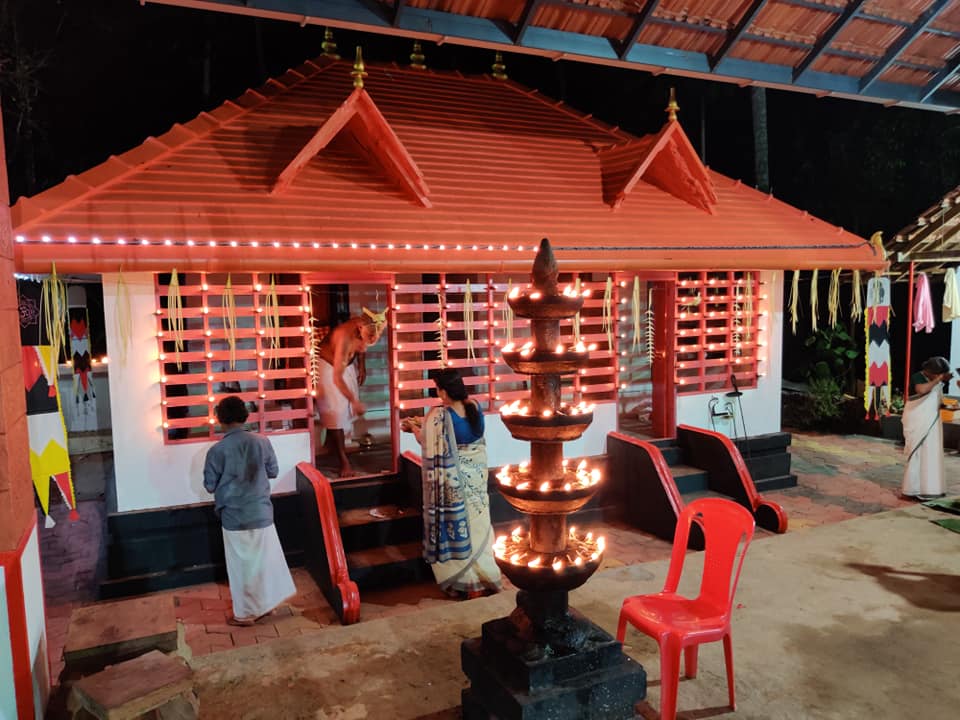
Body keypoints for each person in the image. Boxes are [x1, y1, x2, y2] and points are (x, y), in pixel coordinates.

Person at [402, 369, 501, 599]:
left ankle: (467, 583)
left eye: (438, 388)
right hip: (476, 477)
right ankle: (487, 576)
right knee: (478, 525)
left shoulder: (440, 416)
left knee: (455, 524)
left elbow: (427, 441)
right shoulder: (474, 407)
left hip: (454, 483)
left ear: (444, 391)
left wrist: (414, 428)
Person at [203, 396, 296, 626]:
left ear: (220, 419)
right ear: (244, 416)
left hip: (234, 516)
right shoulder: (262, 442)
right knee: (263, 563)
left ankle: (244, 614)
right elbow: (273, 471)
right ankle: (264, 606)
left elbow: (209, 485)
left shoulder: (216, 451)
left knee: (241, 567)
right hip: (261, 512)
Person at [315, 308, 387, 476]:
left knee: (346, 411)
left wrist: (362, 364)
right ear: (360, 329)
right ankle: (343, 462)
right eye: (366, 340)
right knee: (337, 412)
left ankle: (330, 445)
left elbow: (364, 345)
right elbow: (337, 378)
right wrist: (354, 400)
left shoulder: (363, 323)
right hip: (328, 364)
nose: (365, 346)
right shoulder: (343, 338)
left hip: (346, 363)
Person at [901, 356, 952, 501]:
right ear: (929, 371)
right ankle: (912, 489)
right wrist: (937, 380)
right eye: (937, 374)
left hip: (932, 422)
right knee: (918, 453)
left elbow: (935, 398)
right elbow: (921, 390)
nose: (938, 377)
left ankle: (931, 489)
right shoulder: (918, 376)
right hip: (918, 420)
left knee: (931, 454)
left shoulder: (936, 380)